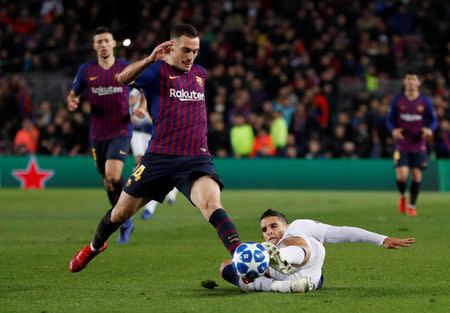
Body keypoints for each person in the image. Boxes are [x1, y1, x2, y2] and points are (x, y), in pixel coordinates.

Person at [69, 24, 242, 273]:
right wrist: (150, 58)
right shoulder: (156, 71)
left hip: (196, 159)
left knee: (213, 205)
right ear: (171, 47)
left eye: (195, 51)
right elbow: (122, 78)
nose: (191, 56)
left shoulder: (200, 74)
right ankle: (94, 247)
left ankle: (241, 257)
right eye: (186, 50)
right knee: (119, 214)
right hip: (158, 158)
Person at [219, 209, 415, 293]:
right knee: (226, 266)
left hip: (306, 261)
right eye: (265, 230)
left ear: (285, 224)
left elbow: (340, 232)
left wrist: (382, 240)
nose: (269, 231)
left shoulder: (297, 227)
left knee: (288, 243)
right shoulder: (272, 243)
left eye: (274, 225)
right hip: (300, 281)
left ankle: (281, 260)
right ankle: (278, 283)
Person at [67, 26, 139, 244]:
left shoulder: (125, 68)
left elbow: (146, 88)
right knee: (108, 182)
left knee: (113, 174)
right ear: (94, 45)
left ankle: (129, 211)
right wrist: (73, 100)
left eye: (106, 40)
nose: (103, 45)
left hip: (121, 129)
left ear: (113, 43)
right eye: (99, 42)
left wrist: (141, 106)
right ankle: (122, 219)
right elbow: (73, 93)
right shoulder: (86, 70)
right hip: (97, 133)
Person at [386, 69, 438, 216]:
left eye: (413, 79)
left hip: (419, 143)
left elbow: (434, 120)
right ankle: (403, 196)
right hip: (402, 143)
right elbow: (389, 120)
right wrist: (393, 130)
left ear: (419, 82)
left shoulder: (424, 101)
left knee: (416, 175)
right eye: (408, 79)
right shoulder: (397, 100)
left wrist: (430, 130)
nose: (410, 81)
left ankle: (412, 206)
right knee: (402, 176)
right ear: (404, 81)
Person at [128, 88, 177, 220]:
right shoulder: (136, 90)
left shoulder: (161, 90)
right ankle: (134, 194)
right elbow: (130, 102)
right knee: (140, 162)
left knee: (156, 167)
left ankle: (151, 206)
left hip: (155, 134)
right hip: (137, 132)